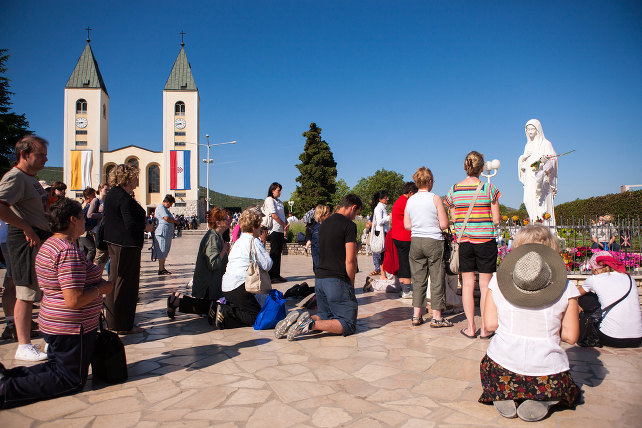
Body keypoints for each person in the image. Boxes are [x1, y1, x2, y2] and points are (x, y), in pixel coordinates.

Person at [0, 198, 113, 408]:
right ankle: (8, 390)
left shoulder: (51, 244)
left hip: (55, 321)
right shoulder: (67, 252)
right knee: (70, 379)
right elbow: (73, 299)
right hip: (69, 326)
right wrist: (101, 289)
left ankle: (7, 378)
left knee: (56, 366)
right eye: (82, 218)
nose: (84, 222)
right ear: (72, 220)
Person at [480, 225, 580, 422]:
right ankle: (541, 398)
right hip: (546, 373)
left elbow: (490, 325)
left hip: (501, 367)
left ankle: (504, 393)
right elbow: (571, 336)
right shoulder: (567, 288)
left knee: (495, 367)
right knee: (564, 385)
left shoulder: (497, 283)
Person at [278, 194, 362, 341]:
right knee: (348, 323)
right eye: (356, 213)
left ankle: (297, 318)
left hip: (320, 279)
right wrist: (351, 283)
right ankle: (310, 324)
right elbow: (350, 260)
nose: (355, 217)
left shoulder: (323, 225)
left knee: (325, 315)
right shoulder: (349, 226)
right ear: (353, 207)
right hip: (336, 280)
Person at [0, 135, 52, 361]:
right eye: (40, 155)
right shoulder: (15, 177)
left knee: (39, 290)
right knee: (26, 292)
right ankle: (24, 344)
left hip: (37, 238)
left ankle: (48, 339)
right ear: (24, 154)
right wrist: (25, 227)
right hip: (25, 240)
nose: (45, 160)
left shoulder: (30, 178)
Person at [445, 151, 501, 339]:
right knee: (485, 285)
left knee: (467, 285)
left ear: (464, 167)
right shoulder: (489, 189)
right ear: (482, 168)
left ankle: (470, 327)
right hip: (486, 241)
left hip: (465, 242)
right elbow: (496, 220)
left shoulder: (453, 190)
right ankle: (485, 328)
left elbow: (453, 217)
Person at [102, 164, 149, 334]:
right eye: (135, 176)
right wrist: (146, 227)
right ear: (127, 178)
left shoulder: (113, 194)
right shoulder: (122, 197)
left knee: (115, 283)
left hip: (117, 244)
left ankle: (114, 322)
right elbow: (129, 223)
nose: (138, 179)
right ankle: (123, 324)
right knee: (126, 285)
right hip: (126, 245)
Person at [404, 168, 451, 327]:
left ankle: (416, 315)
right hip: (434, 241)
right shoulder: (435, 199)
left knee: (418, 279)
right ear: (430, 181)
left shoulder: (410, 200)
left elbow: (407, 225)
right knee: (437, 278)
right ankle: (437, 317)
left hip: (416, 241)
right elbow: (444, 224)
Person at [212, 208, 272, 329]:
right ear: (254, 227)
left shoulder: (238, 242)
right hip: (238, 286)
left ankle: (219, 309)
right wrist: (263, 242)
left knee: (250, 305)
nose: (261, 228)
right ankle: (225, 313)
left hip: (227, 286)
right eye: (259, 225)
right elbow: (268, 264)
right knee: (255, 316)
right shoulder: (254, 242)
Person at [166, 207, 231, 318]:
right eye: (226, 219)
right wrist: (224, 250)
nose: (229, 221)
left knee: (214, 307)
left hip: (213, 284)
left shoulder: (218, 236)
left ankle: (178, 298)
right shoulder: (212, 238)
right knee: (210, 309)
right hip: (208, 285)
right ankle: (176, 301)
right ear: (218, 222)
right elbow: (213, 264)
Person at [577, 251, 642, 347]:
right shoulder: (629, 278)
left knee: (585, 297)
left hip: (611, 338)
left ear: (596, 267)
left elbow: (573, 294)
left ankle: (578, 326)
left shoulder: (594, 280)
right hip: (637, 339)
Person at [518, 119, 557, 226]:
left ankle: (543, 225)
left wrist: (545, 162)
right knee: (527, 200)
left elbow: (553, 160)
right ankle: (534, 222)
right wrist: (522, 159)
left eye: (532, 129)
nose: (530, 131)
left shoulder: (546, 143)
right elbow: (524, 162)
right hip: (529, 176)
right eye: (528, 129)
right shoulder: (527, 146)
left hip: (541, 178)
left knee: (541, 202)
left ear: (537, 130)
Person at [392, 182, 417, 299]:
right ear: (410, 192)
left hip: (397, 236)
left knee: (402, 263)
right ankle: (407, 290)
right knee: (406, 263)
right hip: (404, 237)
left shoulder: (398, 201)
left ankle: (403, 287)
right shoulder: (407, 202)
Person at [263, 182, 288, 283]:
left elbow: (282, 215)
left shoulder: (280, 202)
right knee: (274, 252)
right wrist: (283, 224)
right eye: (278, 190)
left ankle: (277, 274)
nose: (280, 192)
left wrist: (286, 223)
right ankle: (271, 275)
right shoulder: (269, 200)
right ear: (272, 190)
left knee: (278, 253)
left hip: (280, 229)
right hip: (274, 229)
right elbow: (274, 215)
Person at [154, 194, 180, 275]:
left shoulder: (165, 209)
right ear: (167, 202)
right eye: (170, 204)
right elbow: (166, 218)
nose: (170, 206)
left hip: (166, 233)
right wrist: (176, 221)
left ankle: (162, 267)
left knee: (165, 250)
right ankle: (161, 269)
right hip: (162, 232)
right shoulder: (161, 208)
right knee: (162, 249)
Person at [90, 182, 109, 273]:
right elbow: (90, 214)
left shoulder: (107, 201)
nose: (108, 191)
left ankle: (99, 274)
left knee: (105, 255)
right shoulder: (96, 201)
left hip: (105, 230)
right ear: (100, 189)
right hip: (97, 230)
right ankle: (94, 275)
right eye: (106, 189)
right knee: (99, 254)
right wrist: (102, 215)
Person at [369, 190, 390, 276]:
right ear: (380, 199)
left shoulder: (383, 208)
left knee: (384, 253)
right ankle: (383, 273)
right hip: (381, 233)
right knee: (382, 253)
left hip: (385, 232)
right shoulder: (378, 208)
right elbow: (380, 221)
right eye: (385, 198)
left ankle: (384, 272)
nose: (387, 199)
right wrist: (389, 217)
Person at [77, 187, 97, 262]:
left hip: (84, 232)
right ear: (88, 196)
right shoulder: (85, 206)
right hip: (84, 232)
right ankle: (86, 265)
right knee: (92, 249)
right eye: (93, 195)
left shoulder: (85, 205)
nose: (95, 196)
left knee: (83, 251)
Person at [310, 204, 331, 274]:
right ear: (322, 216)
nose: (330, 216)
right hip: (322, 269)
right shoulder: (318, 230)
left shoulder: (321, 228)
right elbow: (318, 251)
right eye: (328, 214)